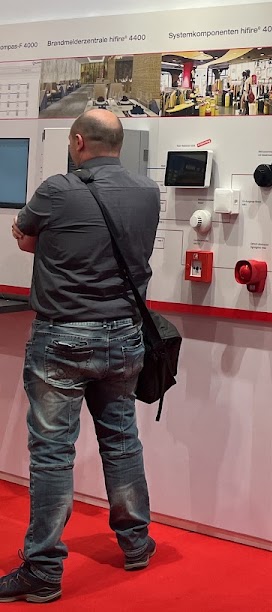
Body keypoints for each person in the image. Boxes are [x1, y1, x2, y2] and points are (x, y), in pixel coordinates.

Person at [0, 110, 160, 603]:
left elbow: (26, 237)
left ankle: (43, 569)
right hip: (125, 336)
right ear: (119, 143)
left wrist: (47, 243)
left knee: (53, 453)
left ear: (77, 142)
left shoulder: (56, 189)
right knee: (122, 440)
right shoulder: (148, 191)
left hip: (63, 337)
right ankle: (136, 543)